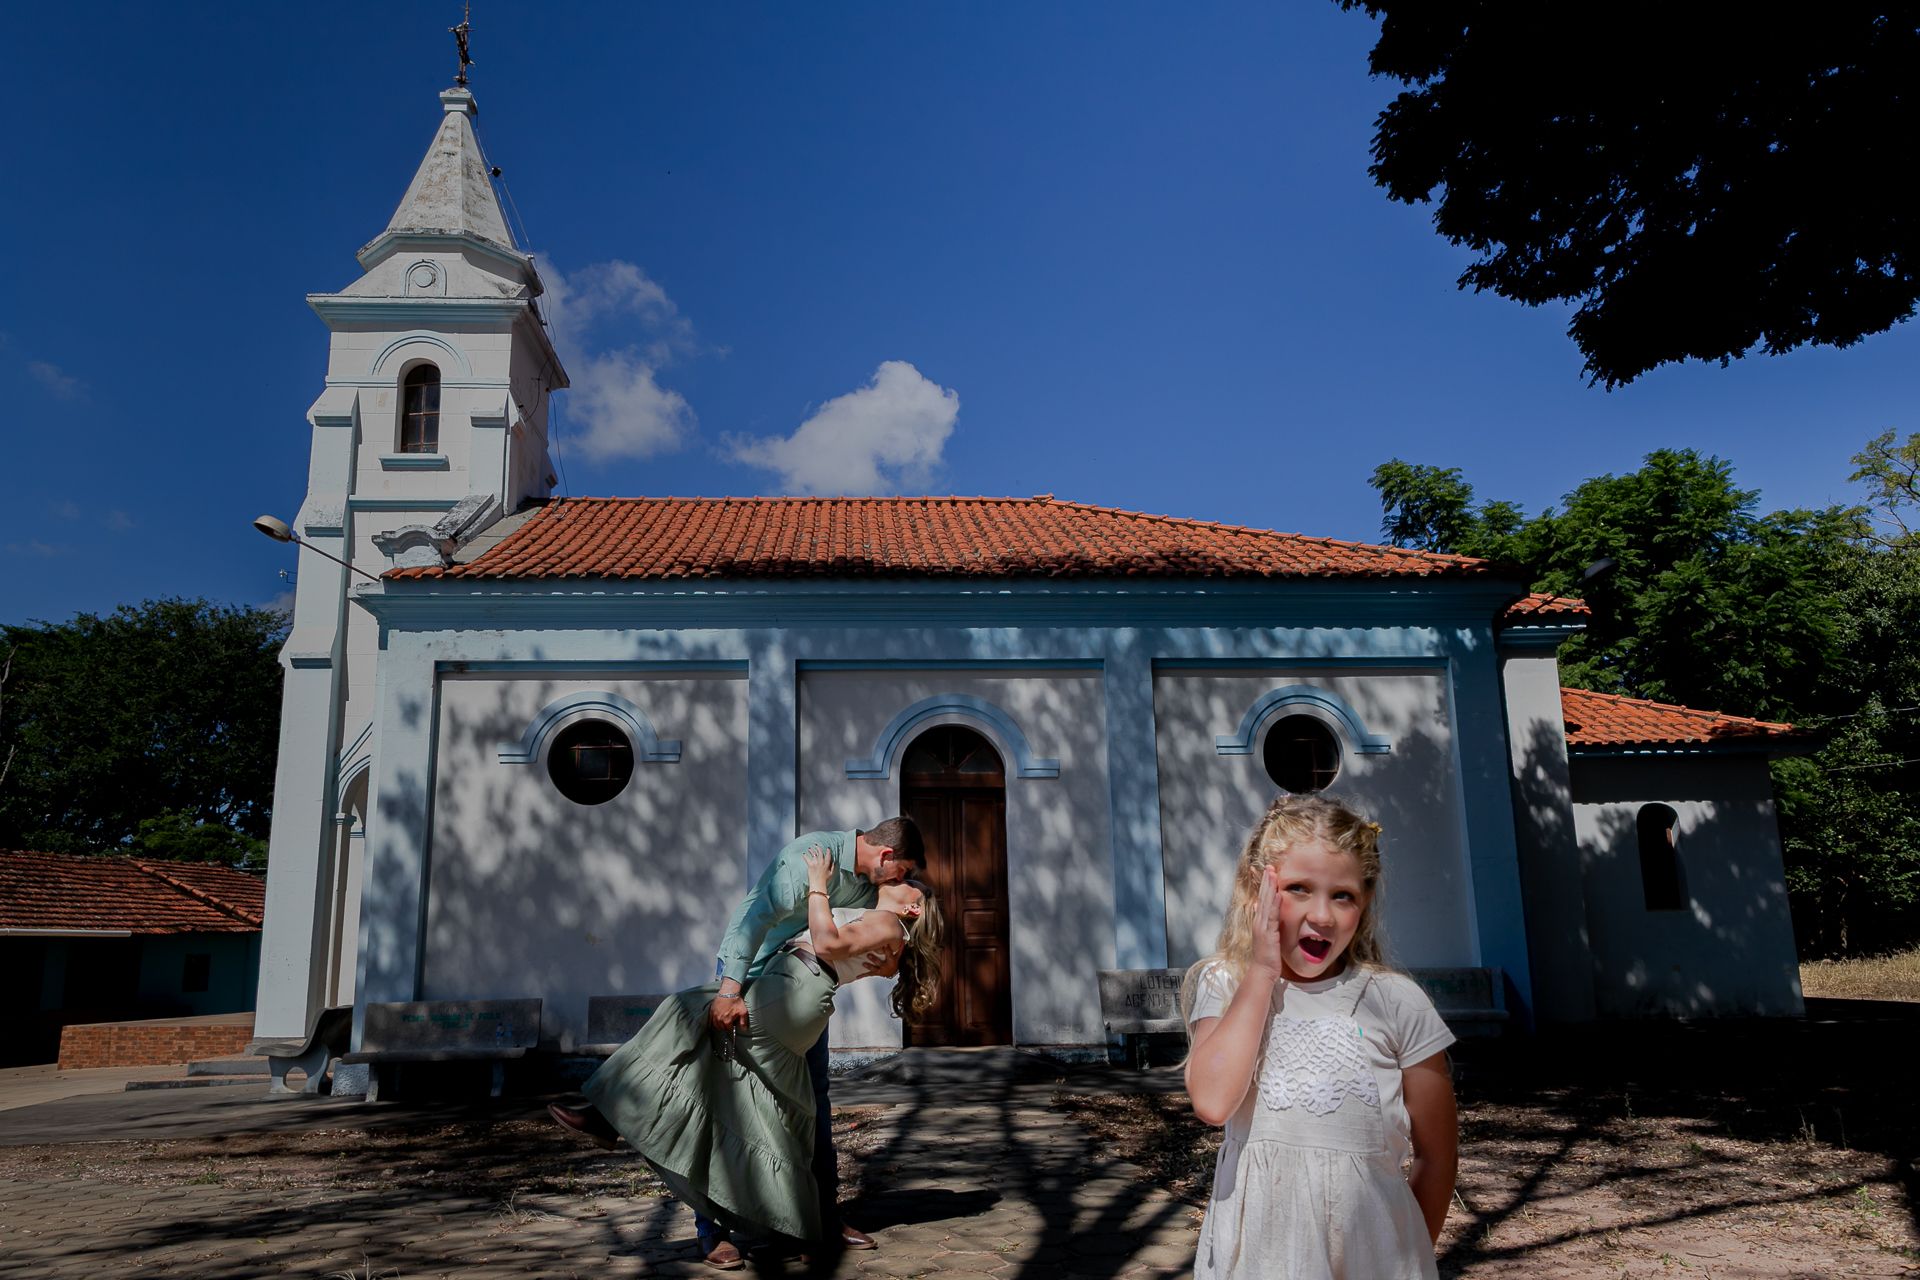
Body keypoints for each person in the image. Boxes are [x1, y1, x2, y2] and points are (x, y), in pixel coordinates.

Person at [550, 818, 928, 1267]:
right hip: (746, 976)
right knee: (716, 1088)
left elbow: (875, 932)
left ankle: (815, 1219)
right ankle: (711, 1231)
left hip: (802, 993)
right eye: (902, 872)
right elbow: (750, 922)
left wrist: (897, 953)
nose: (903, 881)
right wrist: (730, 991)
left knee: (809, 1105)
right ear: (886, 856)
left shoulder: (873, 886)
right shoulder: (810, 860)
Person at [1181, 794, 1458, 1280]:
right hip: (1257, 1262)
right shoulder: (1226, 985)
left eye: (1343, 895)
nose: (1323, 915)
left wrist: (1403, 1255)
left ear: (1365, 900)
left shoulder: (1396, 1001)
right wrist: (1263, 972)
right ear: (1257, 890)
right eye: (1299, 889)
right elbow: (1212, 1101)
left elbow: (1437, 1157)